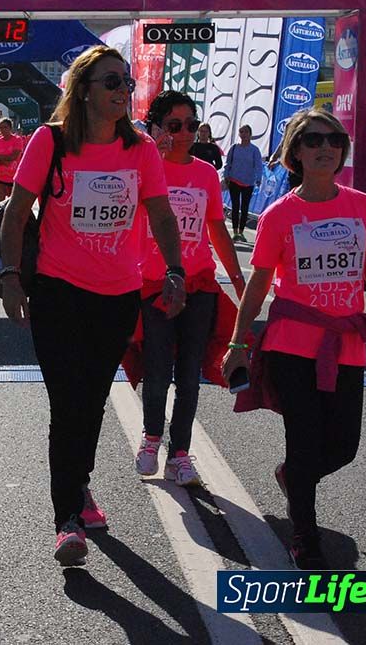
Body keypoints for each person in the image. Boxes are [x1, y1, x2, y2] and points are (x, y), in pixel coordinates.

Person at [0, 46, 185, 567]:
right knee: (68, 404)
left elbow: (161, 214)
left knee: (92, 399)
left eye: (126, 82)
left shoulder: (141, 149)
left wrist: (174, 270)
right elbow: (17, 214)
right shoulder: (50, 141)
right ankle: (67, 520)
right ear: (83, 91)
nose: (123, 90)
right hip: (58, 292)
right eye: (111, 82)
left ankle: (78, 485)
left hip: (118, 297)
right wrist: (11, 277)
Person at [222, 109, 366, 569]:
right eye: (314, 140)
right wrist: (238, 343)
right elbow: (259, 284)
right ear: (296, 153)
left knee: (343, 445)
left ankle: (293, 476)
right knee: (304, 440)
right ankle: (304, 535)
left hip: (346, 343)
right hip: (292, 345)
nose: (326, 147)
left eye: (334, 140)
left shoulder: (363, 207)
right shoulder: (280, 215)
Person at [135, 90, 246, 486]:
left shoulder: (205, 174)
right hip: (154, 284)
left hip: (198, 284)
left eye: (190, 125)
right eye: (173, 125)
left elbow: (216, 229)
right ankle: (151, 438)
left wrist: (238, 280)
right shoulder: (144, 168)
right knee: (156, 369)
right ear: (157, 128)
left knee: (188, 374)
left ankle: (179, 454)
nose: (184, 133)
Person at [223, 124, 264, 242]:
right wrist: (226, 175)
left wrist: (258, 178)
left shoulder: (254, 150)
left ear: (250, 134)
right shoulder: (234, 148)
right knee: (235, 206)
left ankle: (241, 232)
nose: (244, 134)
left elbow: (258, 165)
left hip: (248, 182)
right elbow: (227, 163)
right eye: (241, 132)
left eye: (246, 132)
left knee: (244, 207)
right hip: (234, 180)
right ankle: (235, 232)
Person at [0, 117, 23, 204]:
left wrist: (0, 157)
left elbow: (14, 156)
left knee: (13, 203)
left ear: (10, 128)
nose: (3, 130)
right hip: (1, 177)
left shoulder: (17, 140)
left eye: (5, 127)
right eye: (1, 127)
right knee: (1, 203)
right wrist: (5, 159)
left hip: (14, 177)